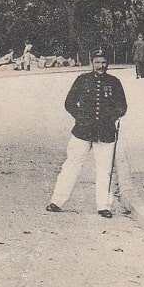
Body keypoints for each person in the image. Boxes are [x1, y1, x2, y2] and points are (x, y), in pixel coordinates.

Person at [47, 50, 127, 218]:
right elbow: (69, 103)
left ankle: (104, 206)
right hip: (82, 131)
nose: (101, 66)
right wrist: (81, 117)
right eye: (97, 62)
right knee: (71, 165)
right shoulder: (82, 80)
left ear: (108, 64)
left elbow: (122, 106)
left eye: (104, 62)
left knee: (104, 169)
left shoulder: (114, 82)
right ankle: (57, 201)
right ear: (92, 63)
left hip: (105, 132)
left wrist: (110, 118)